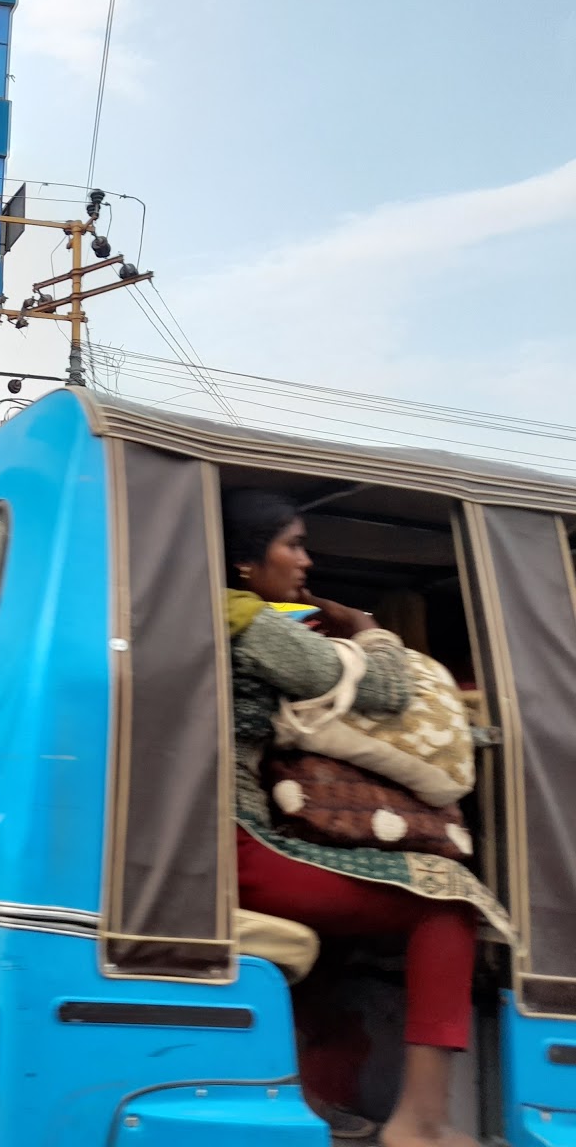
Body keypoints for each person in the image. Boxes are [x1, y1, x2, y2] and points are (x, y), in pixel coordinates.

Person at [223, 488, 509, 1147]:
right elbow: (386, 690)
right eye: (293, 545)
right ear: (246, 563)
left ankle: (317, 1086)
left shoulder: (238, 619)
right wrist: (367, 627)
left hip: (227, 840)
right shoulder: (248, 621)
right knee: (447, 899)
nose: (305, 561)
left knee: (348, 927)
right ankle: (422, 1121)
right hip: (241, 842)